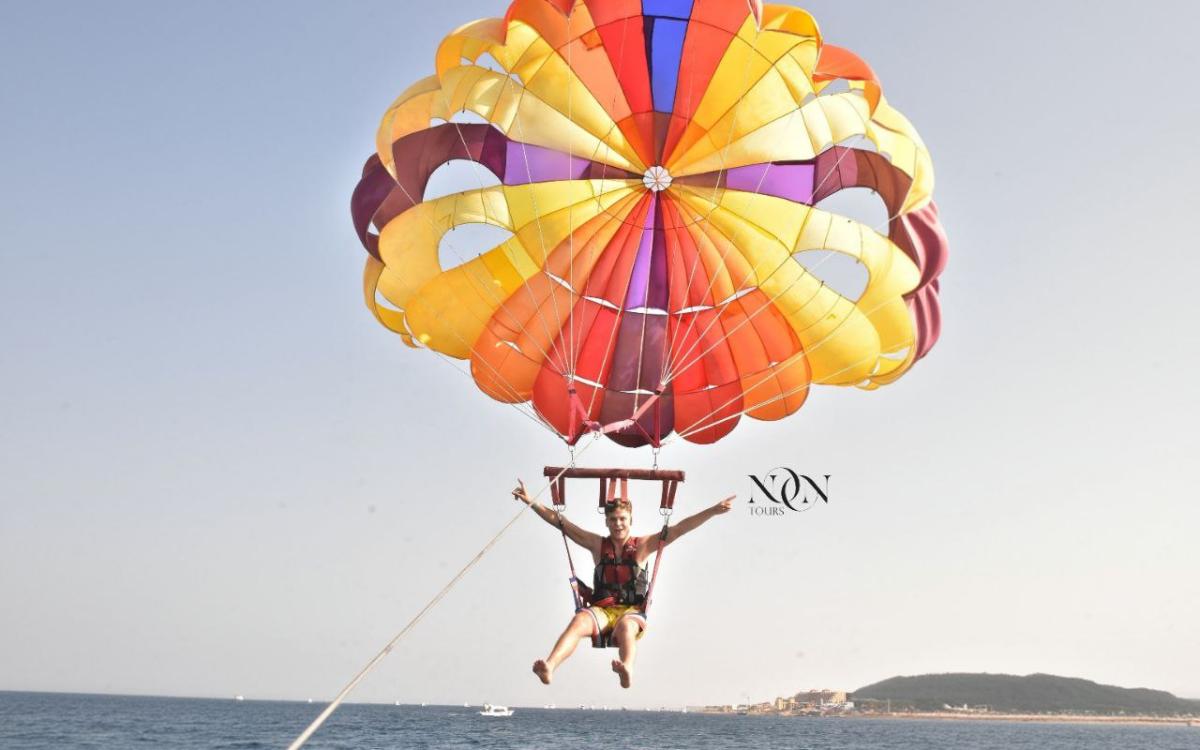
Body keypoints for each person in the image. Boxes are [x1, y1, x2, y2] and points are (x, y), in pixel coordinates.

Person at [512, 479, 734, 689]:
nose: (618, 524)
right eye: (613, 519)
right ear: (606, 522)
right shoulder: (597, 545)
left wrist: (712, 511)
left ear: (630, 520)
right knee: (579, 620)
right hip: (602, 610)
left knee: (627, 626)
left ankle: (627, 667)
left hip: (632, 611)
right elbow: (562, 524)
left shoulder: (643, 546)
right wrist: (531, 501)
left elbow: (679, 528)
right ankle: (549, 666)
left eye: (622, 519)